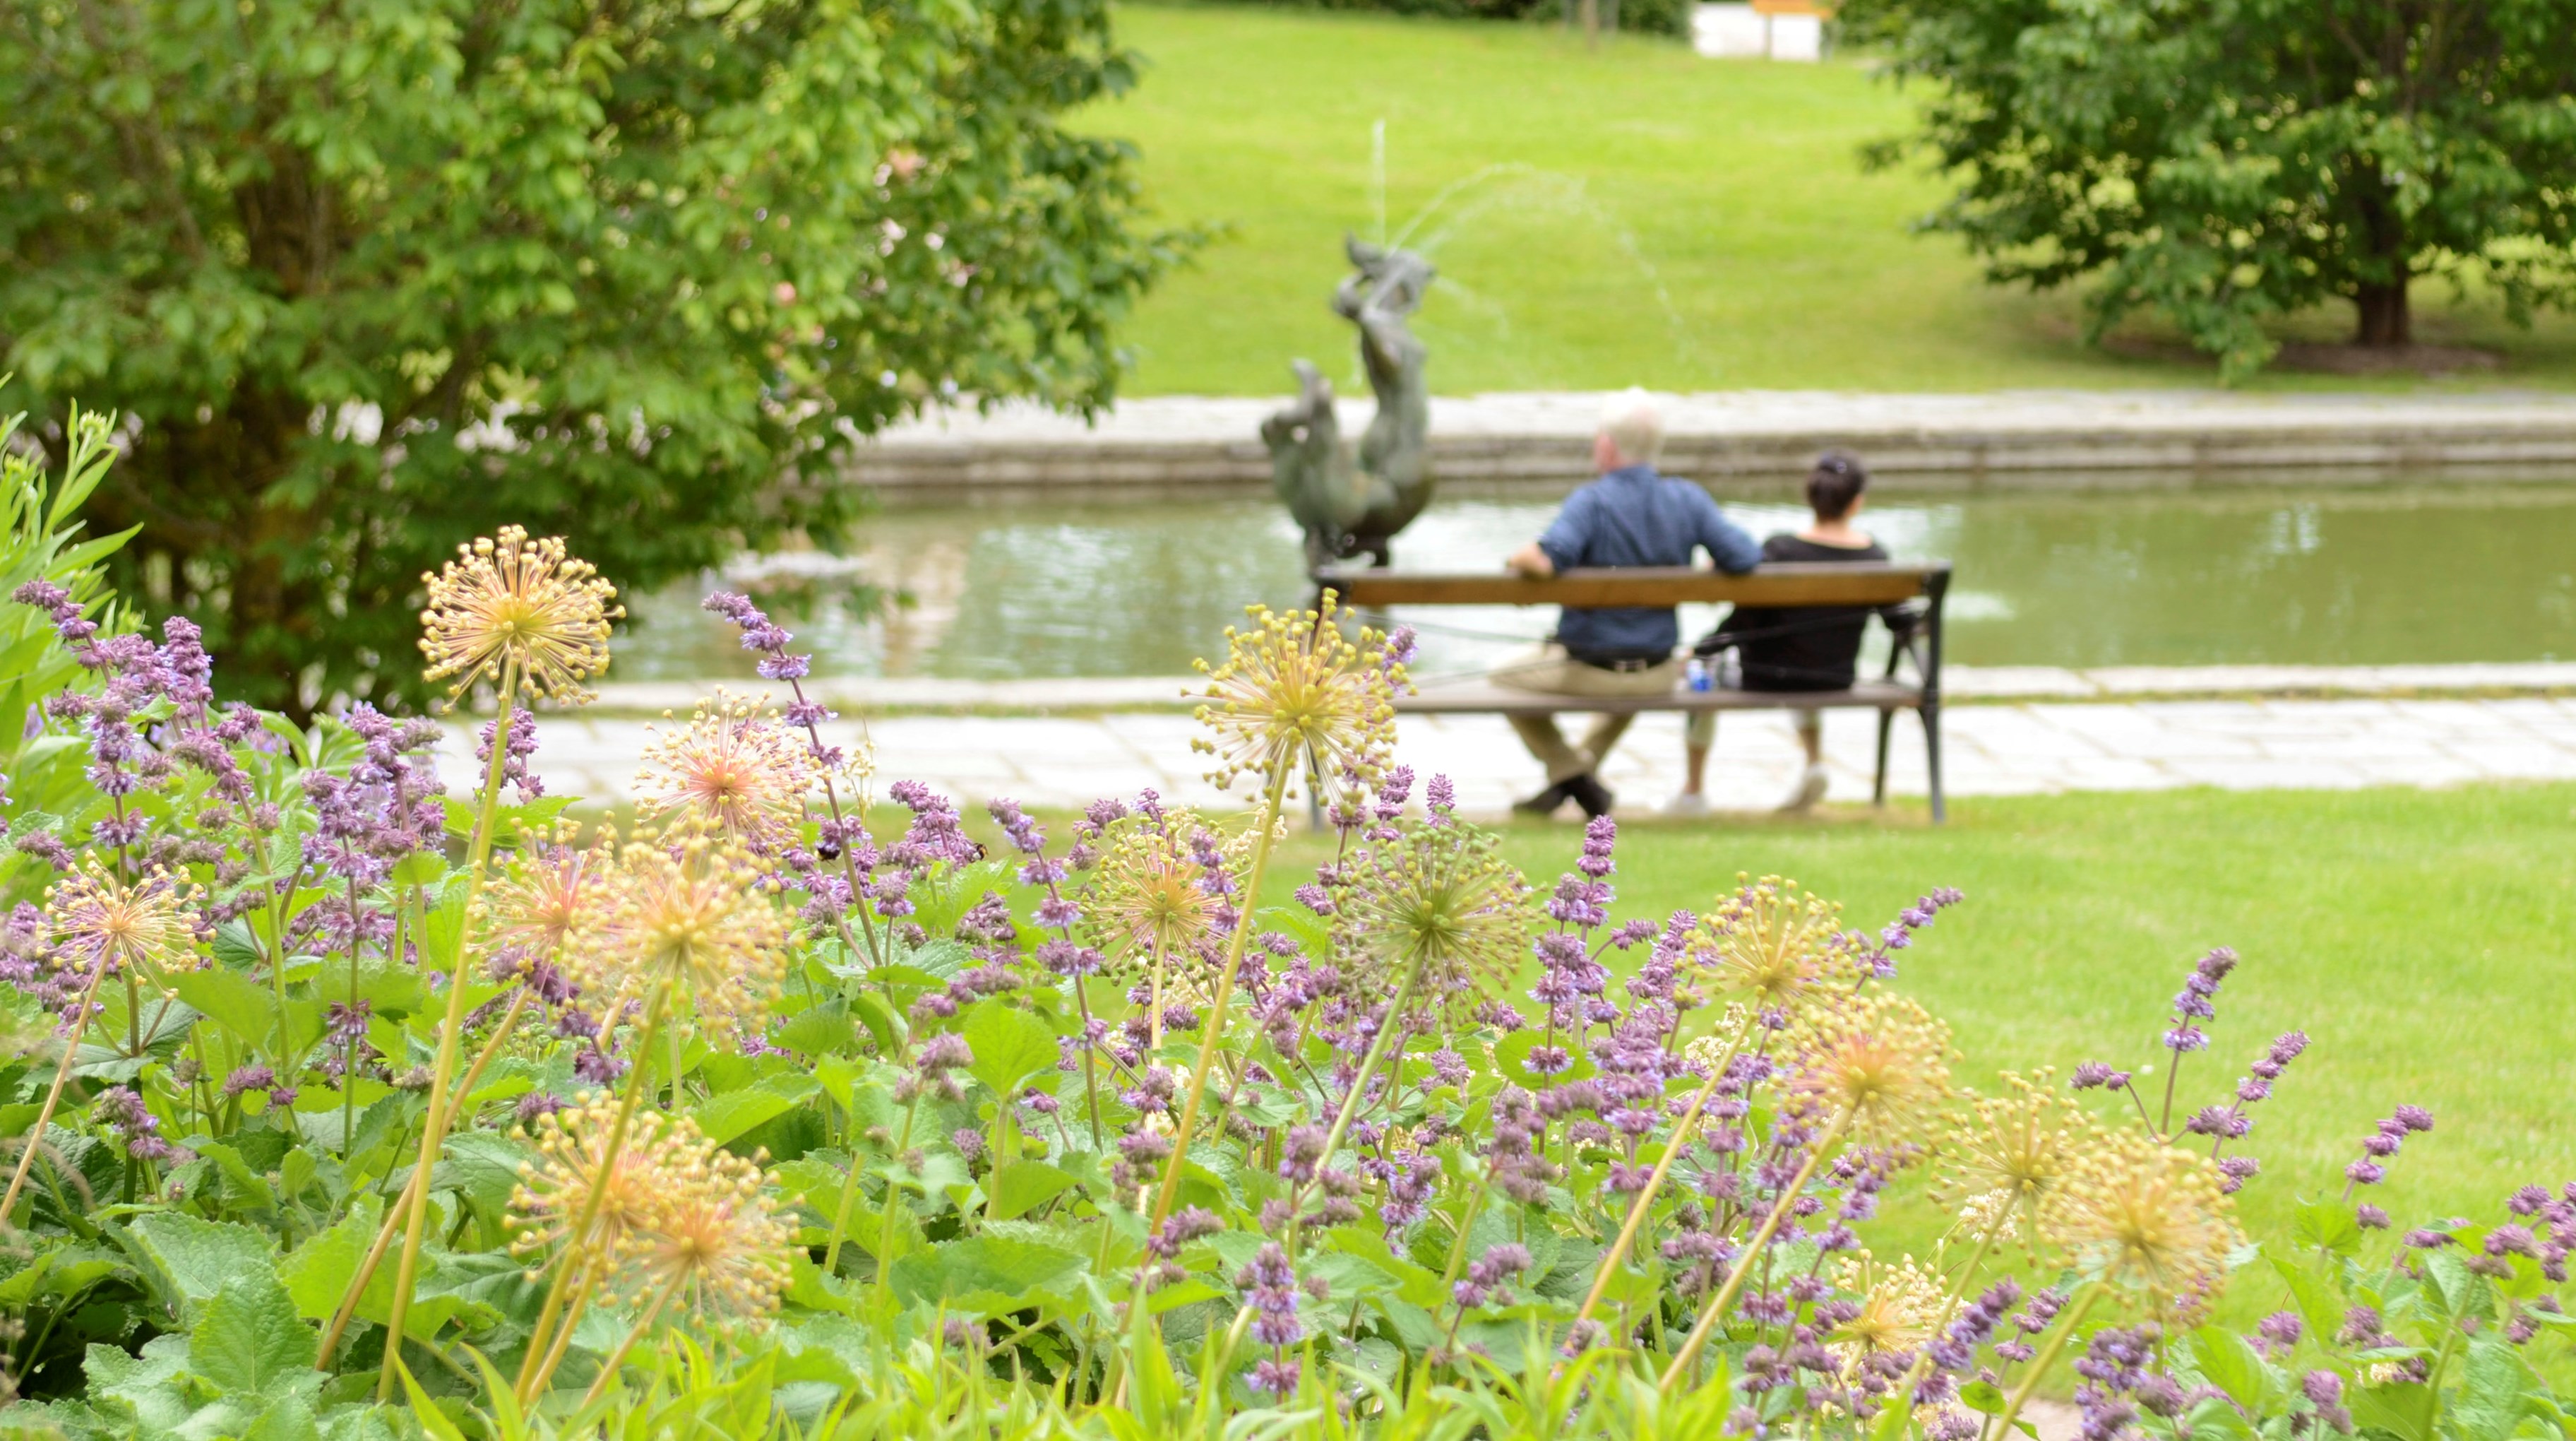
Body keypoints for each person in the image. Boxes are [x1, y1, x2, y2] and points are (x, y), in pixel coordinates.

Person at [1496, 390, 1761, 819]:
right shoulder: (1688, 499)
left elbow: (1545, 561)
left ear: (1606, 446)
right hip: (1657, 672)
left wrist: (1517, 557)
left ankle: (1569, 773)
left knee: (1499, 676)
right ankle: (1579, 781)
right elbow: (1745, 557)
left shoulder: (1593, 501)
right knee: (1632, 676)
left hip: (1589, 671)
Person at [1669, 449, 1909, 816]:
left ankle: (1693, 791)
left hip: (1766, 678)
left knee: (1705, 674)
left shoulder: (1780, 549)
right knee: (1806, 662)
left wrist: (1700, 651)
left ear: (1811, 496)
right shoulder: (1875, 557)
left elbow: (1743, 621)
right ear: (1856, 503)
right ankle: (1814, 762)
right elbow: (1900, 622)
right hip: (1833, 678)